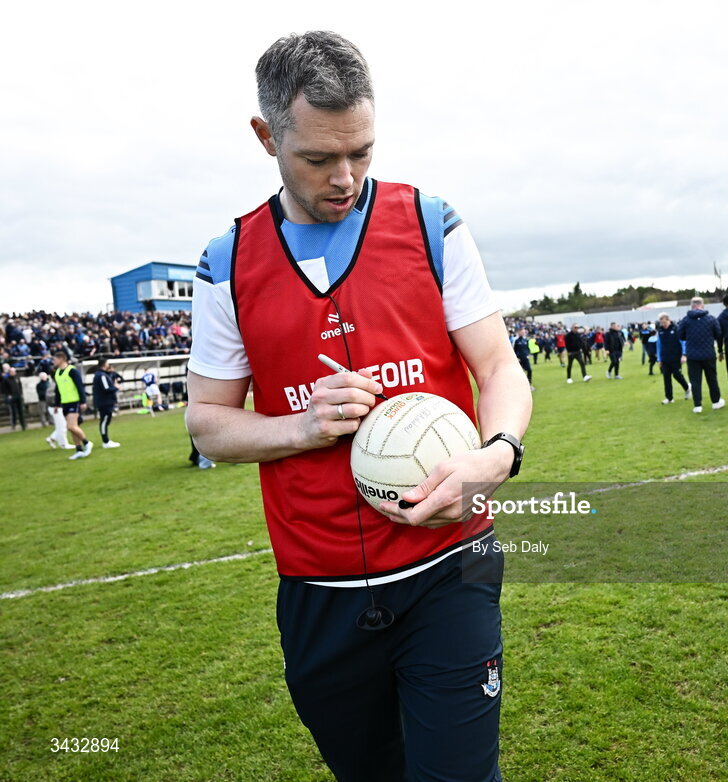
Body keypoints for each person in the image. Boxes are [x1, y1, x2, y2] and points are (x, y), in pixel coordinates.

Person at [184, 31, 531, 782]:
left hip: (449, 568)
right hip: (319, 590)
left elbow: (499, 364)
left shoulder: (430, 223)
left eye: (363, 151)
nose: (346, 177)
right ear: (266, 135)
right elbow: (206, 422)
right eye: (318, 159)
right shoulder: (227, 263)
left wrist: (495, 455)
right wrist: (301, 425)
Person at [677, 297, 723, 413]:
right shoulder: (711, 319)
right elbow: (718, 334)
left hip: (692, 355)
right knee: (712, 379)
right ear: (702, 305)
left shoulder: (686, 320)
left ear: (692, 306)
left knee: (695, 381)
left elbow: (680, 335)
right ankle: (716, 402)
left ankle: (698, 405)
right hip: (708, 354)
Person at [53, 350, 92, 460]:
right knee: (72, 428)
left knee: (71, 426)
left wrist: (83, 401)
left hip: (74, 402)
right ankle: (78, 449)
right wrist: (57, 404)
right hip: (65, 403)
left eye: (55, 359)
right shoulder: (57, 373)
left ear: (61, 359)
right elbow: (58, 390)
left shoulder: (72, 371)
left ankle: (87, 443)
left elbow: (80, 386)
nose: (53, 361)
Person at [655, 313, 689, 404]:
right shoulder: (660, 331)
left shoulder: (676, 329)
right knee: (666, 377)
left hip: (676, 357)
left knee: (677, 375)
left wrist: (684, 355)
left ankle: (687, 388)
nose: (663, 324)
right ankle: (669, 398)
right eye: (661, 323)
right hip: (665, 358)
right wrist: (659, 359)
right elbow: (659, 345)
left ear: (669, 320)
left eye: (664, 322)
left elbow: (683, 343)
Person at [92, 357, 121, 448]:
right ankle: (105, 441)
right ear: (104, 364)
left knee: (106, 420)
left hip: (105, 401)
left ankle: (106, 440)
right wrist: (116, 387)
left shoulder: (102, 374)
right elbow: (106, 388)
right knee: (104, 421)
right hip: (104, 402)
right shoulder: (101, 375)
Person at [1, 363, 27, 431]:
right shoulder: (6, 380)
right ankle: (14, 424)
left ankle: (23, 424)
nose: (14, 373)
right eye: (12, 371)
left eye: (14, 371)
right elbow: (4, 389)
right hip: (12, 397)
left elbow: (20, 386)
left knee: (21, 411)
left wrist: (20, 393)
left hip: (18, 395)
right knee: (13, 411)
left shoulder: (17, 378)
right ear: (10, 372)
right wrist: (8, 396)